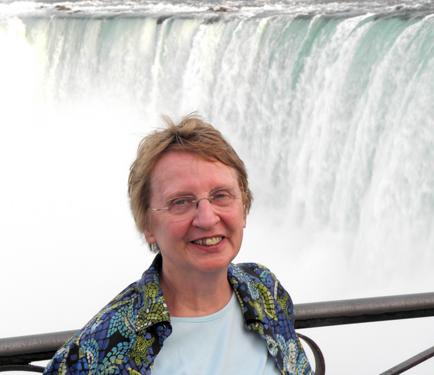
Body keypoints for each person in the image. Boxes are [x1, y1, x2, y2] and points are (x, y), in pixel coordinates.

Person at [44, 115, 312, 374]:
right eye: (181, 202)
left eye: (221, 196)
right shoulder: (101, 348)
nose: (207, 219)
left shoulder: (264, 289)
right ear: (148, 226)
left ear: (243, 207)